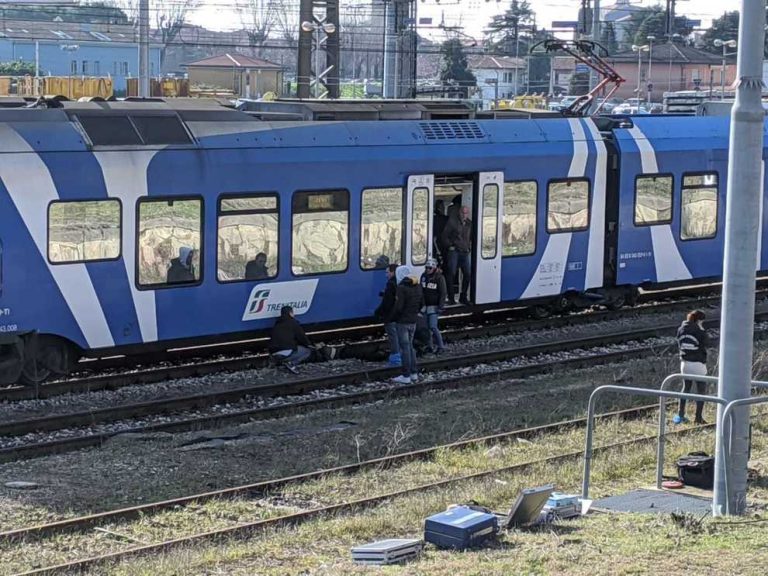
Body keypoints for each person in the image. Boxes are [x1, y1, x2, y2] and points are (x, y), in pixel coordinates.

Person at [387, 265, 424, 384]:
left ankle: (406, 375)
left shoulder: (401, 288)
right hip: (413, 321)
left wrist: (391, 318)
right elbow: (421, 303)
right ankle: (414, 374)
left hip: (402, 322)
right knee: (410, 347)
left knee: (405, 349)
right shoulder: (417, 285)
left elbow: (399, 307)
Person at [674, 310, 710, 424]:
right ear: (699, 320)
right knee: (701, 390)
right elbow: (706, 342)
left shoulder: (680, 329)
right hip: (698, 364)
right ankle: (698, 418)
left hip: (684, 363)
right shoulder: (699, 331)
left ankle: (680, 415)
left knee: (686, 388)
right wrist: (702, 330)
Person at [441, 205, 472, 305]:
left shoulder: (469, 223)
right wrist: (450, 245)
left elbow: (470, 237)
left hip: (465, 252)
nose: (464, 215)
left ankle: (463, 296)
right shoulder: (452, 222)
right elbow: (444, 236)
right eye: (463, 213)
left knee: (467, 274)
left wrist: (469, 247)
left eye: (466, 213)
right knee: (451, 274)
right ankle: (451, 298)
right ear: (459, 212)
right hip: (454, 251)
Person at [268, 306, 313, 373]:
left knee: (287, 348)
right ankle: (292, 364)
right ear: (290, 313)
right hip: (286, 353)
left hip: (273, 354)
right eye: (293, 312)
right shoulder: (293, 322)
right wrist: (309, 344)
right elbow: (302, 337)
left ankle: (275, 362)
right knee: (307, 351)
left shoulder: (277, 323)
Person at [374, 263, 401, 366]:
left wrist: (378, 312)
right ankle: (402, 356)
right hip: (399, 315)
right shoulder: (401, 282)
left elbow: (387, 303)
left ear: (393, 272)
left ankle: (396, 359)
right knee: (399, 336)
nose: (386, 275)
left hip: (390, 316)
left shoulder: (390, 284)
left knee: (393, 337)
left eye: (387, 272)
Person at [420, 258, 447, 355]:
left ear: (434, 268)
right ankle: (429, 346)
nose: (427, 269)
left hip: (434, 306)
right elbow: (421, 291)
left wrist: (440, 306)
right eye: (426, 267)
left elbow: (443, 293)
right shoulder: (423, 276)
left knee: (433, 327)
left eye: (429, 268)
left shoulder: (439, 278)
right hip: (425, 306)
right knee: (427, 328)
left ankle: (441, 346)